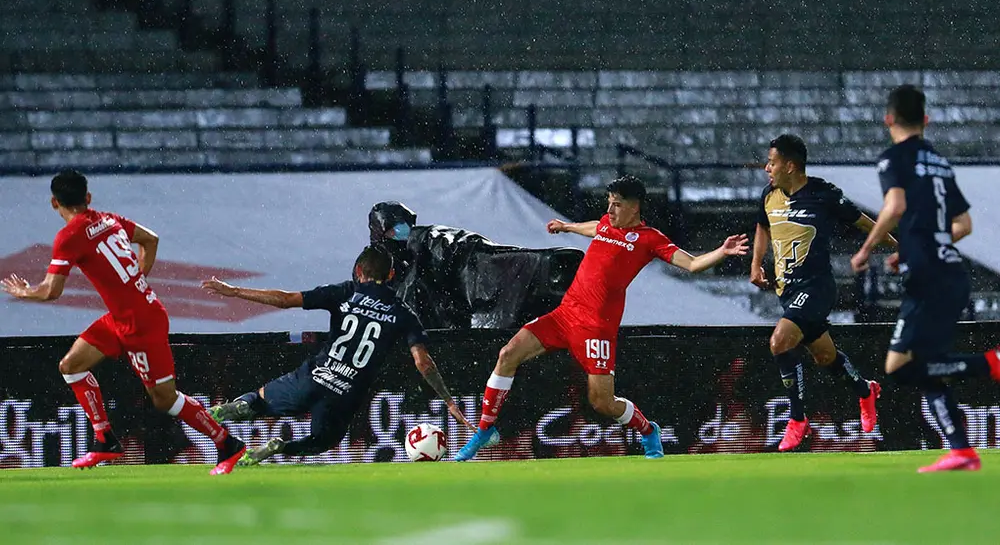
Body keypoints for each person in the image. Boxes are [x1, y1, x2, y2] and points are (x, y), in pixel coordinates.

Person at [455, 175, 749, 461]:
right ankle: (484, 430)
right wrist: (567, 227)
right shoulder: (608, 223)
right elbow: (597, 227)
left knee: (602, 402)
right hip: (565, 315)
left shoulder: (649, 239)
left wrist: (722, 251)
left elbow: (693, 264)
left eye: (617, 204)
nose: (610, 210)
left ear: (635, 206)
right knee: (508, 353)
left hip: (596, 329)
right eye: (609, 203)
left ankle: (648, 430)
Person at [0, 170, 245, 475]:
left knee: (165, 400)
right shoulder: (108, 218)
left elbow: (51, 291)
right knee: (71, 366)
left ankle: (228, 444)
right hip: (124, 317)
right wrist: (139, 278)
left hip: (141, 324)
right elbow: (150, 239)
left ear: (54, 203)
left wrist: (23, 292)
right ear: (87, 198)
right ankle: (105, 440)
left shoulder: (68, 236)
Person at [201, 245, 473, 465]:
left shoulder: (345, 292)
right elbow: (423, 363)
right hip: (346, 394)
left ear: (358, 270)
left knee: (259, 400)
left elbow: (285, 300)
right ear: (391, 276)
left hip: (314, 375)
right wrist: (449, 401)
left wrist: (235, 291)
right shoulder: (402, 312)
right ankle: (280, 447)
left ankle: (243, 406)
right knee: (321, 442)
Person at [851, 85, 999, 472]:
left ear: (888, 119)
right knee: (929, 365)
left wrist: (867, 248)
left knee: (899, 368)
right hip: (948, 271)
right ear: (926, 121)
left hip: (930, 278)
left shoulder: (893, 158)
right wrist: (915, 249)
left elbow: (895, 205)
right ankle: (961, 449)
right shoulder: (939, 161)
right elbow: (963, 225)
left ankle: (992, 363)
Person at [751, 134, 891, 452]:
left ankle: (798, 419)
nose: (766, 168)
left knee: (780, 341)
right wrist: (756, 264)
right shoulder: (768, 195)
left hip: (817, 287)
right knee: (825, 356)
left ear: (790, 165)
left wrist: (899, 247)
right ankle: (865, 390)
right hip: (786, 290)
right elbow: (763, 228)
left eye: (771, 162)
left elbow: (863, 222)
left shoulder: (823, 194)